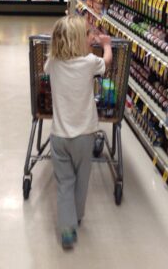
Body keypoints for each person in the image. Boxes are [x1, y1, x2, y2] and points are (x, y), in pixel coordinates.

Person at [44, 15, 113, 249]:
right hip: (85, 135)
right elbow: (107, 62)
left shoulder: (52, 63)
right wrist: (106, 46)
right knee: (82, 179)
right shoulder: (90, 62)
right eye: (87, 34)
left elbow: (47, 67)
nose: (90, 37)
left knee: (64, 181)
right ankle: (79, 215)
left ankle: (66, 227)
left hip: (59, 135)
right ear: (78, 40)